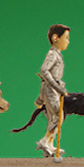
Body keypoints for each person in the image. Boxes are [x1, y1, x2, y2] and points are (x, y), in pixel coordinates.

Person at [36, 24, 70, 157]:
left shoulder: (57, 55)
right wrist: (57, 87)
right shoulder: (52, 55)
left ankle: (49, 143)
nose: (68, 41)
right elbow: (44, 70)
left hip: (53, 89)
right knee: (57, 114)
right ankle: (45, 140)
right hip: (51, 90)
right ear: (56, 38)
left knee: (56, 116)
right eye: (66, 38)